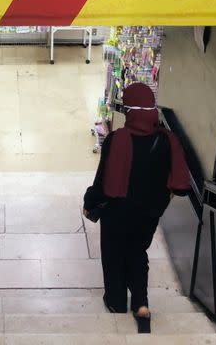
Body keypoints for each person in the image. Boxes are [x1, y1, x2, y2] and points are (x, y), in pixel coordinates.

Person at [83, 83, 190, 333]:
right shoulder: (167, 141)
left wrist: (89, 204)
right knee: (137, 252)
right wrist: (161, 200)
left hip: (117, 213)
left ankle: (117, 302)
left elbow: (102, 184)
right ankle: (141, 304)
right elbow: (181, 186)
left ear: (130, 110)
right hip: (149, 215)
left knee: (113, 254)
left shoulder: (117, 139)